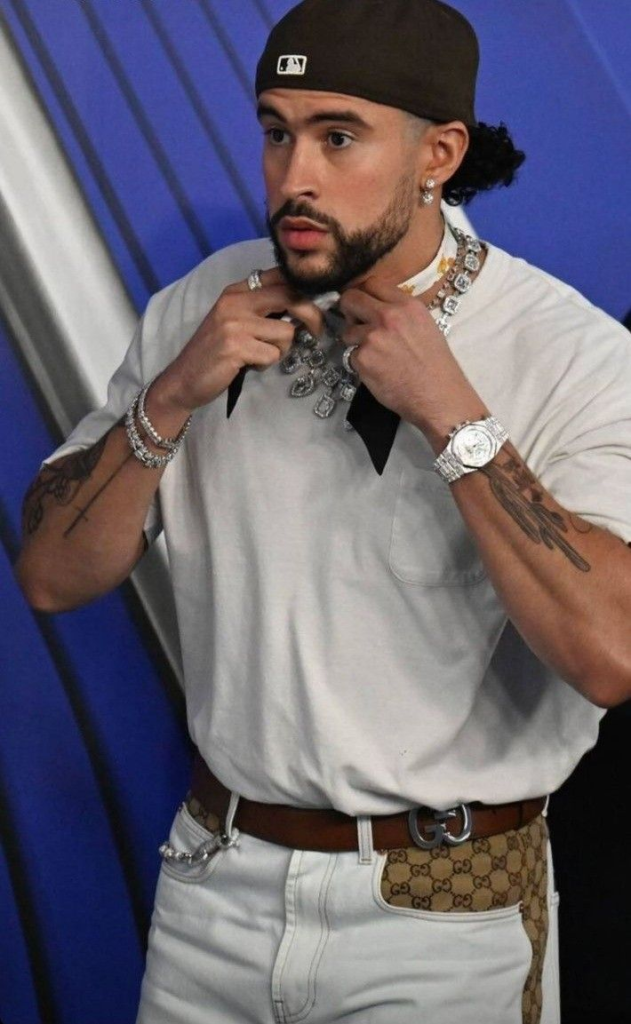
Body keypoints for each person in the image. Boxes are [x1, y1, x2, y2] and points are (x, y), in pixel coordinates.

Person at [15, 1, 631, 1022]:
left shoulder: (571, 354)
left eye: (337, 137)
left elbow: (610, 653)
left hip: (440, 911)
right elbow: (49, 575)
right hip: (211, 887)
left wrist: (453, 416)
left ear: (437, 155)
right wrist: (169, 396)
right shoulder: (201, 308)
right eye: (275, 131)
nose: (293, 175)